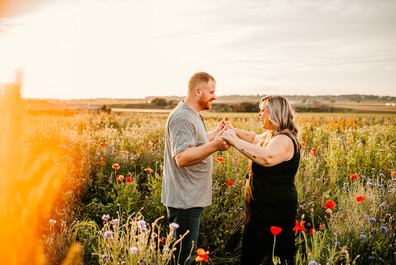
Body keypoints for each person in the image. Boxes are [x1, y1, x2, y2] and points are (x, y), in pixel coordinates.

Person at [220, 95, 301, 265]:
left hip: (275, 208)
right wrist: (233, 130)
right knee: (253, 251)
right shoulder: (271, 135)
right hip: (259, 206)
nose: (259, 114)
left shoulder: (285, 139)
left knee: (274, 254)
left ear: (276, 113)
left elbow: (267, 158)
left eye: (263, 110)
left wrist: (233, 140)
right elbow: (253, 138)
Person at [161, 72, 230, 265]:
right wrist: (215, 145)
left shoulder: (191, 115)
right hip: (185, 200)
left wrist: (214, 134)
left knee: (183, 252)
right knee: (184, 256)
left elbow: (193, 142)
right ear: (198, 91)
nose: (214, 97)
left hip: (189, 196)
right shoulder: (183, 117)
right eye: (212, 92)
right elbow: (182, 157)